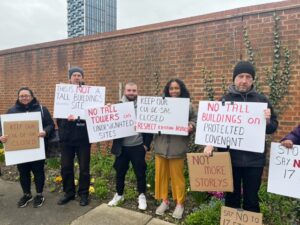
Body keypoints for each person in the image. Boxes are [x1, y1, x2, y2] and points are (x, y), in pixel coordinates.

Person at [204, 60, 278, 213]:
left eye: (248, 77)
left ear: (253, 80)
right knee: (231, 199)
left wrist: (268, 120)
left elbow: (272, 128)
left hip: (254, 161)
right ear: (234, 79)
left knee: (252, 200)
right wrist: (210, 143)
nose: (244, 80)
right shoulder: (224, 101)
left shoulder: (262, 101)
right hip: (230, 160)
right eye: (240, 76)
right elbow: (215, 128)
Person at [0, 87, 55, 208]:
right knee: (23, 172)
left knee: (38, 171)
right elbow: (2, 128)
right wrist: (1, 136)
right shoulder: (12, 111)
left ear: (32, 96)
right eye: (22, 96)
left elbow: (50, 125)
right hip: (19, 150)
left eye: (27, 95)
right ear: (18, 97)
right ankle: (27, 194)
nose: (24, 98)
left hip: (37, 149)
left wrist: (45, 131)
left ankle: (39, 194)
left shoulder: (41, 109)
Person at [154, 78, 197, 219]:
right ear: (167, 90)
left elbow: (195, 120)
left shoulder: (188, 105)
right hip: (161, 146)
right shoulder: (160, 104)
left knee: (177, 178)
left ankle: (180, 203)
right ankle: (164, 201)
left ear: (181, 89)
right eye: (171, 88)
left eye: (176, 88)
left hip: (177, 148)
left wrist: (191, 126)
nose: (174, 91)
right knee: (161, 176)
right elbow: (151, 119)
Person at [108, 82, 153, 210]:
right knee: (120, 172)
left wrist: (146, 145)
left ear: (137, 91)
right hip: (122, 147)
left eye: (134, 90)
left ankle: (142, 195)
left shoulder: (144, 106)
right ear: (125, 91)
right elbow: (109, 121)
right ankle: (119, 194)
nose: (131, 93)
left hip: (138, 146)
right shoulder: (117, 106)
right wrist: (107, 110)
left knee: (140, 172)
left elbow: (150, 126)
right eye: (129, 90)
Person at [57, 67, 91, 206]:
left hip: (83, 139)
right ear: (70, 78)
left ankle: (83, 194)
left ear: (82, 78)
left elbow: (95, 114)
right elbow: (58, 118)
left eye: (79, 75)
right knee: (66, 167)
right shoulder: (62, 94)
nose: (77, 77)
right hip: (67, 139)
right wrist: (66, 119)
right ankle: (69, 193)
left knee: (84, 169)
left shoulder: (90, 94)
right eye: (74, 75)